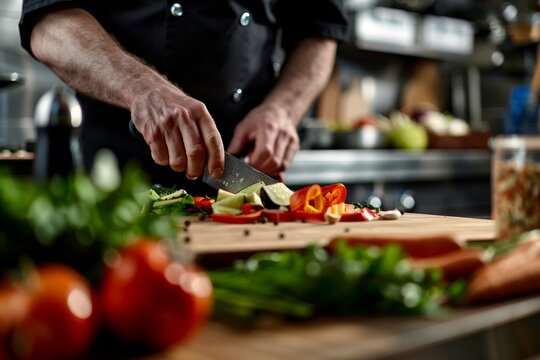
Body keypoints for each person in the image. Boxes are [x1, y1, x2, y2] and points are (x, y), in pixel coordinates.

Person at [19, 1, 349, 194]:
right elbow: (49, 20)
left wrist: (281, 109)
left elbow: (320, 31)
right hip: (111, 183)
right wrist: (142, 88)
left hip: (242, 174)